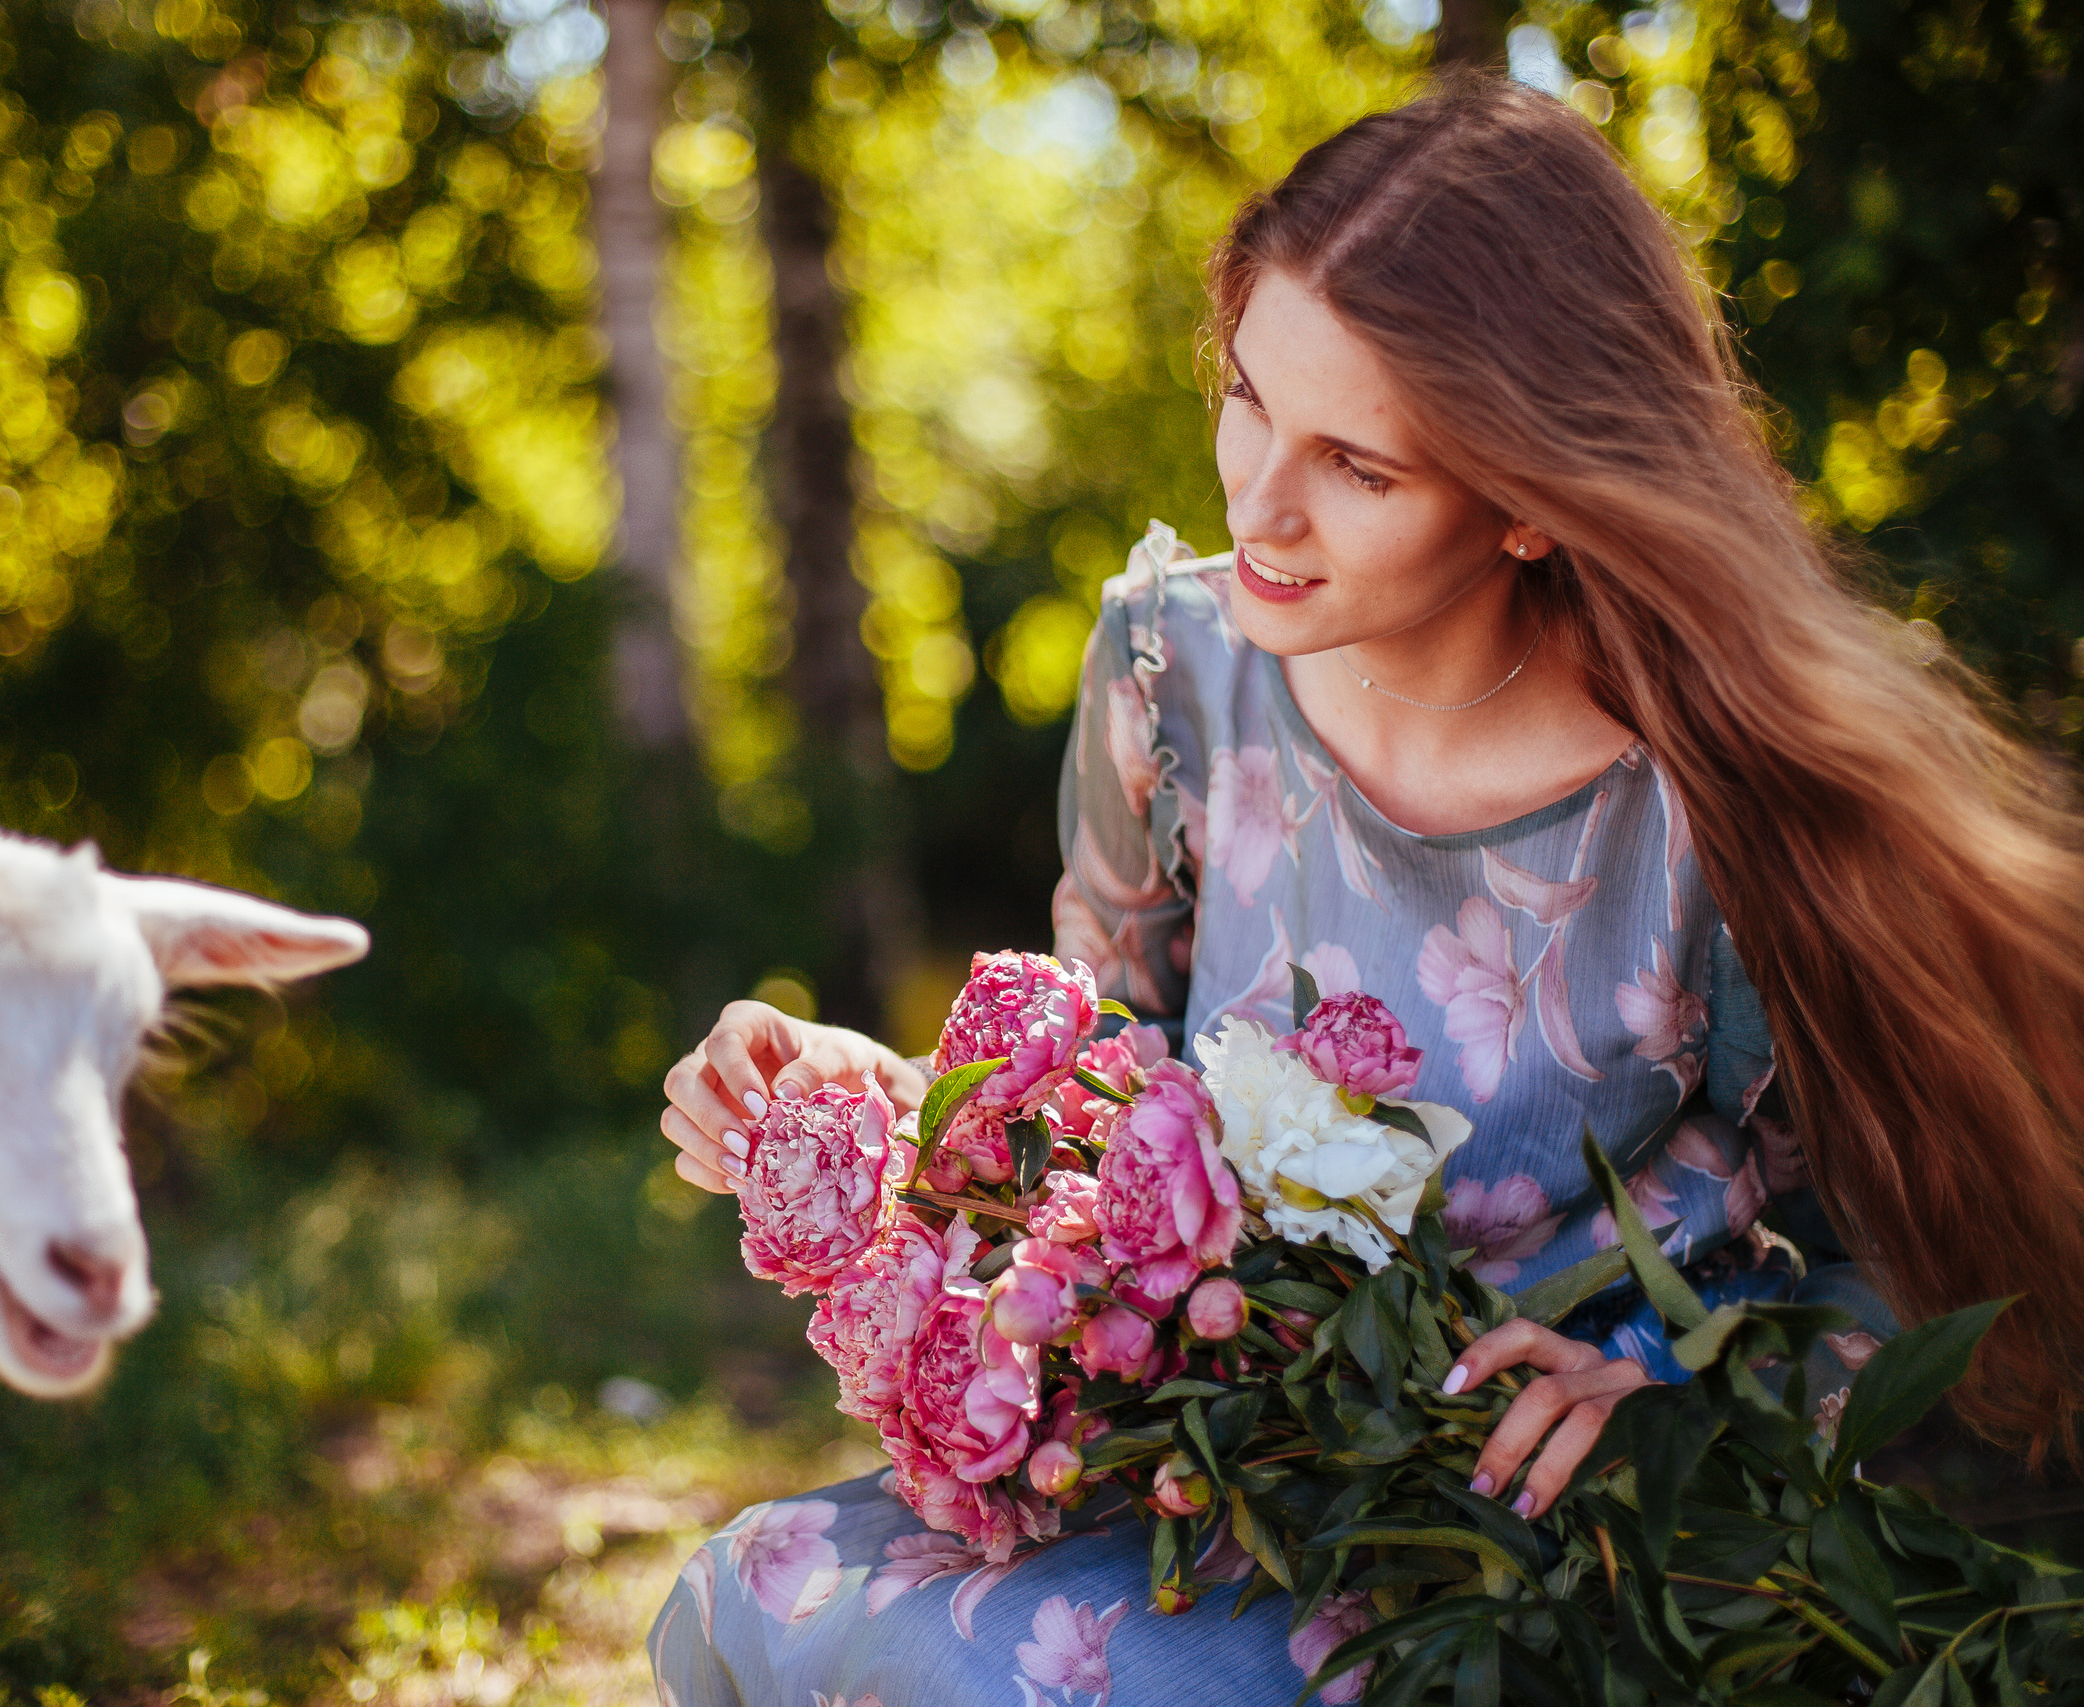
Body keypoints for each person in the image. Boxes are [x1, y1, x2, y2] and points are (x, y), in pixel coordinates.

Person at [646, 70, 2084, 1705]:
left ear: (1532, 499)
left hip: (1525, 1539)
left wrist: (1671, 1389)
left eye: (1361, 465)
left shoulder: (1726, 789)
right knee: (798, 1595)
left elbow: (1892, 1247)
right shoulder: (1169, 670)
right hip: (1201, 1474)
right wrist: (895, 1108)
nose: (1261, 506)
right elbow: (1100, 1091)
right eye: (1249, 395)